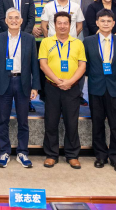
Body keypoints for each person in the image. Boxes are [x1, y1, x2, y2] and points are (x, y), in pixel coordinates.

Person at [0, 7, 40, 168]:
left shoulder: (29, 38)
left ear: (21, 21)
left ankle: (22, 152)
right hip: (3, 83)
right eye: (10, 18)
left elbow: (34, 64)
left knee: (23, 120)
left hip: (22, 82)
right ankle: (4, 152)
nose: (13, 20)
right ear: (5, 21)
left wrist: (35, 86)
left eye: (16, 17)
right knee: (2, 120)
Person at [84, 9, 116, 173]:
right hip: (96, 87)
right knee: (97, 124)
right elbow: (85, 65)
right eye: (102, 21)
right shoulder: (88, 41)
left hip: (115, 88)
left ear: (113, 23)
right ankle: (100, 156)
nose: (105, 24)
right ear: (97, 23)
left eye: (108, 21)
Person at [39, 11, 86, 169]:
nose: (62, 26)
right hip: (52, 87)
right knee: (51, 122)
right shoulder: (46, 42)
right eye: (59, 23)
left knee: (71, 122)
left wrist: (70, 82)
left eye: (66, 23)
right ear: (54, 24)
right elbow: (43, 64)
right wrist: (57, 81)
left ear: (70, 25)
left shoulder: (78, 43)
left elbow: (82, 66)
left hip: (72, 88)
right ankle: (51, 155)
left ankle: (72, 155)